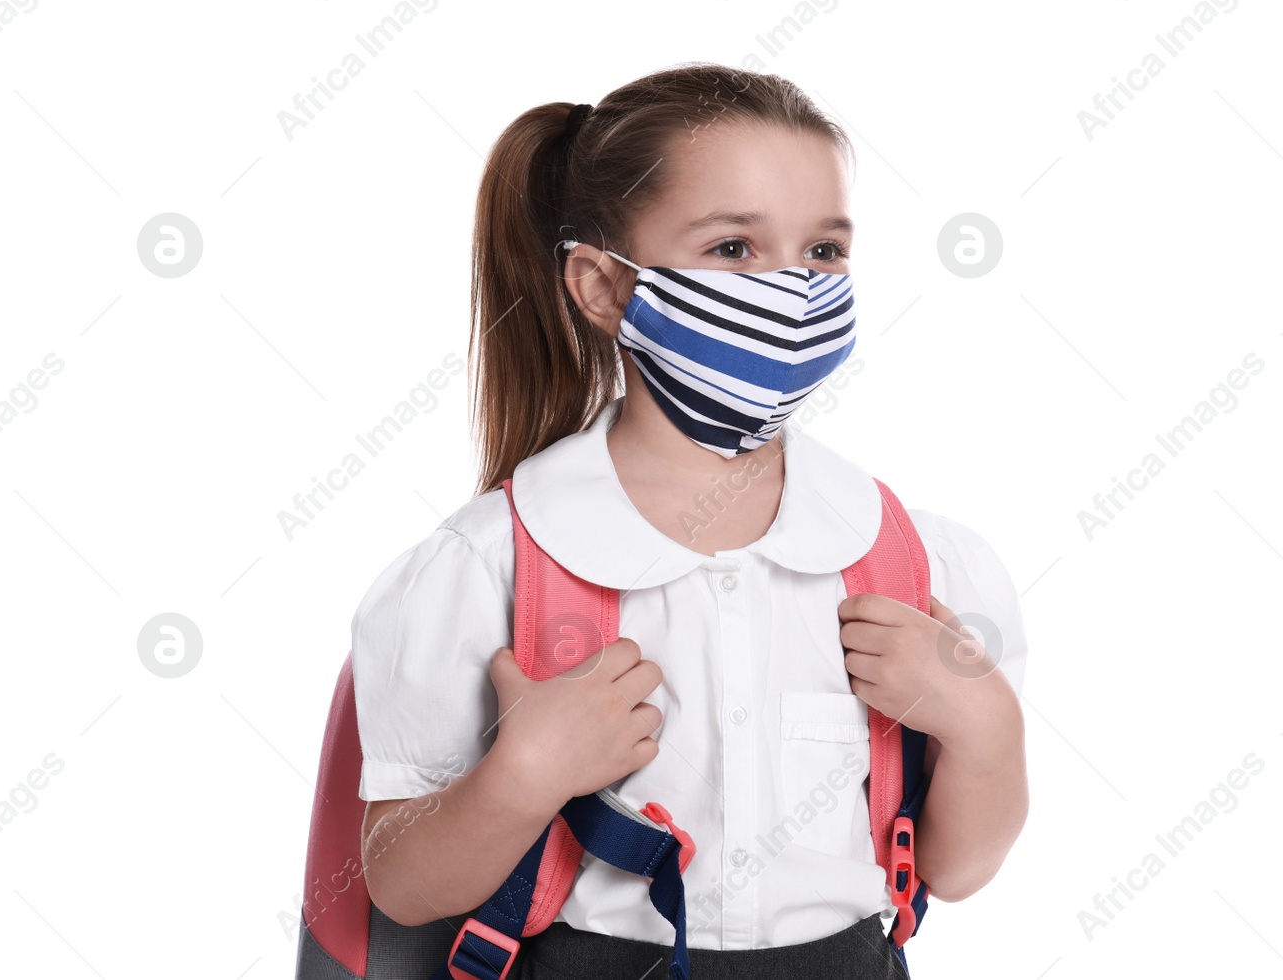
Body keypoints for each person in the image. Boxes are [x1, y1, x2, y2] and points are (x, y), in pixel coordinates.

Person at [349, 62, 1029, 979]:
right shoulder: (489, 566)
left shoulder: (915, 562)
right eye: (735, 249)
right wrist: (522, 775)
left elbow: (954, 869)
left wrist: (985, 727)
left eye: (823, 251)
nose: (791, 291)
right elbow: (398, 882)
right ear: (603, 285)